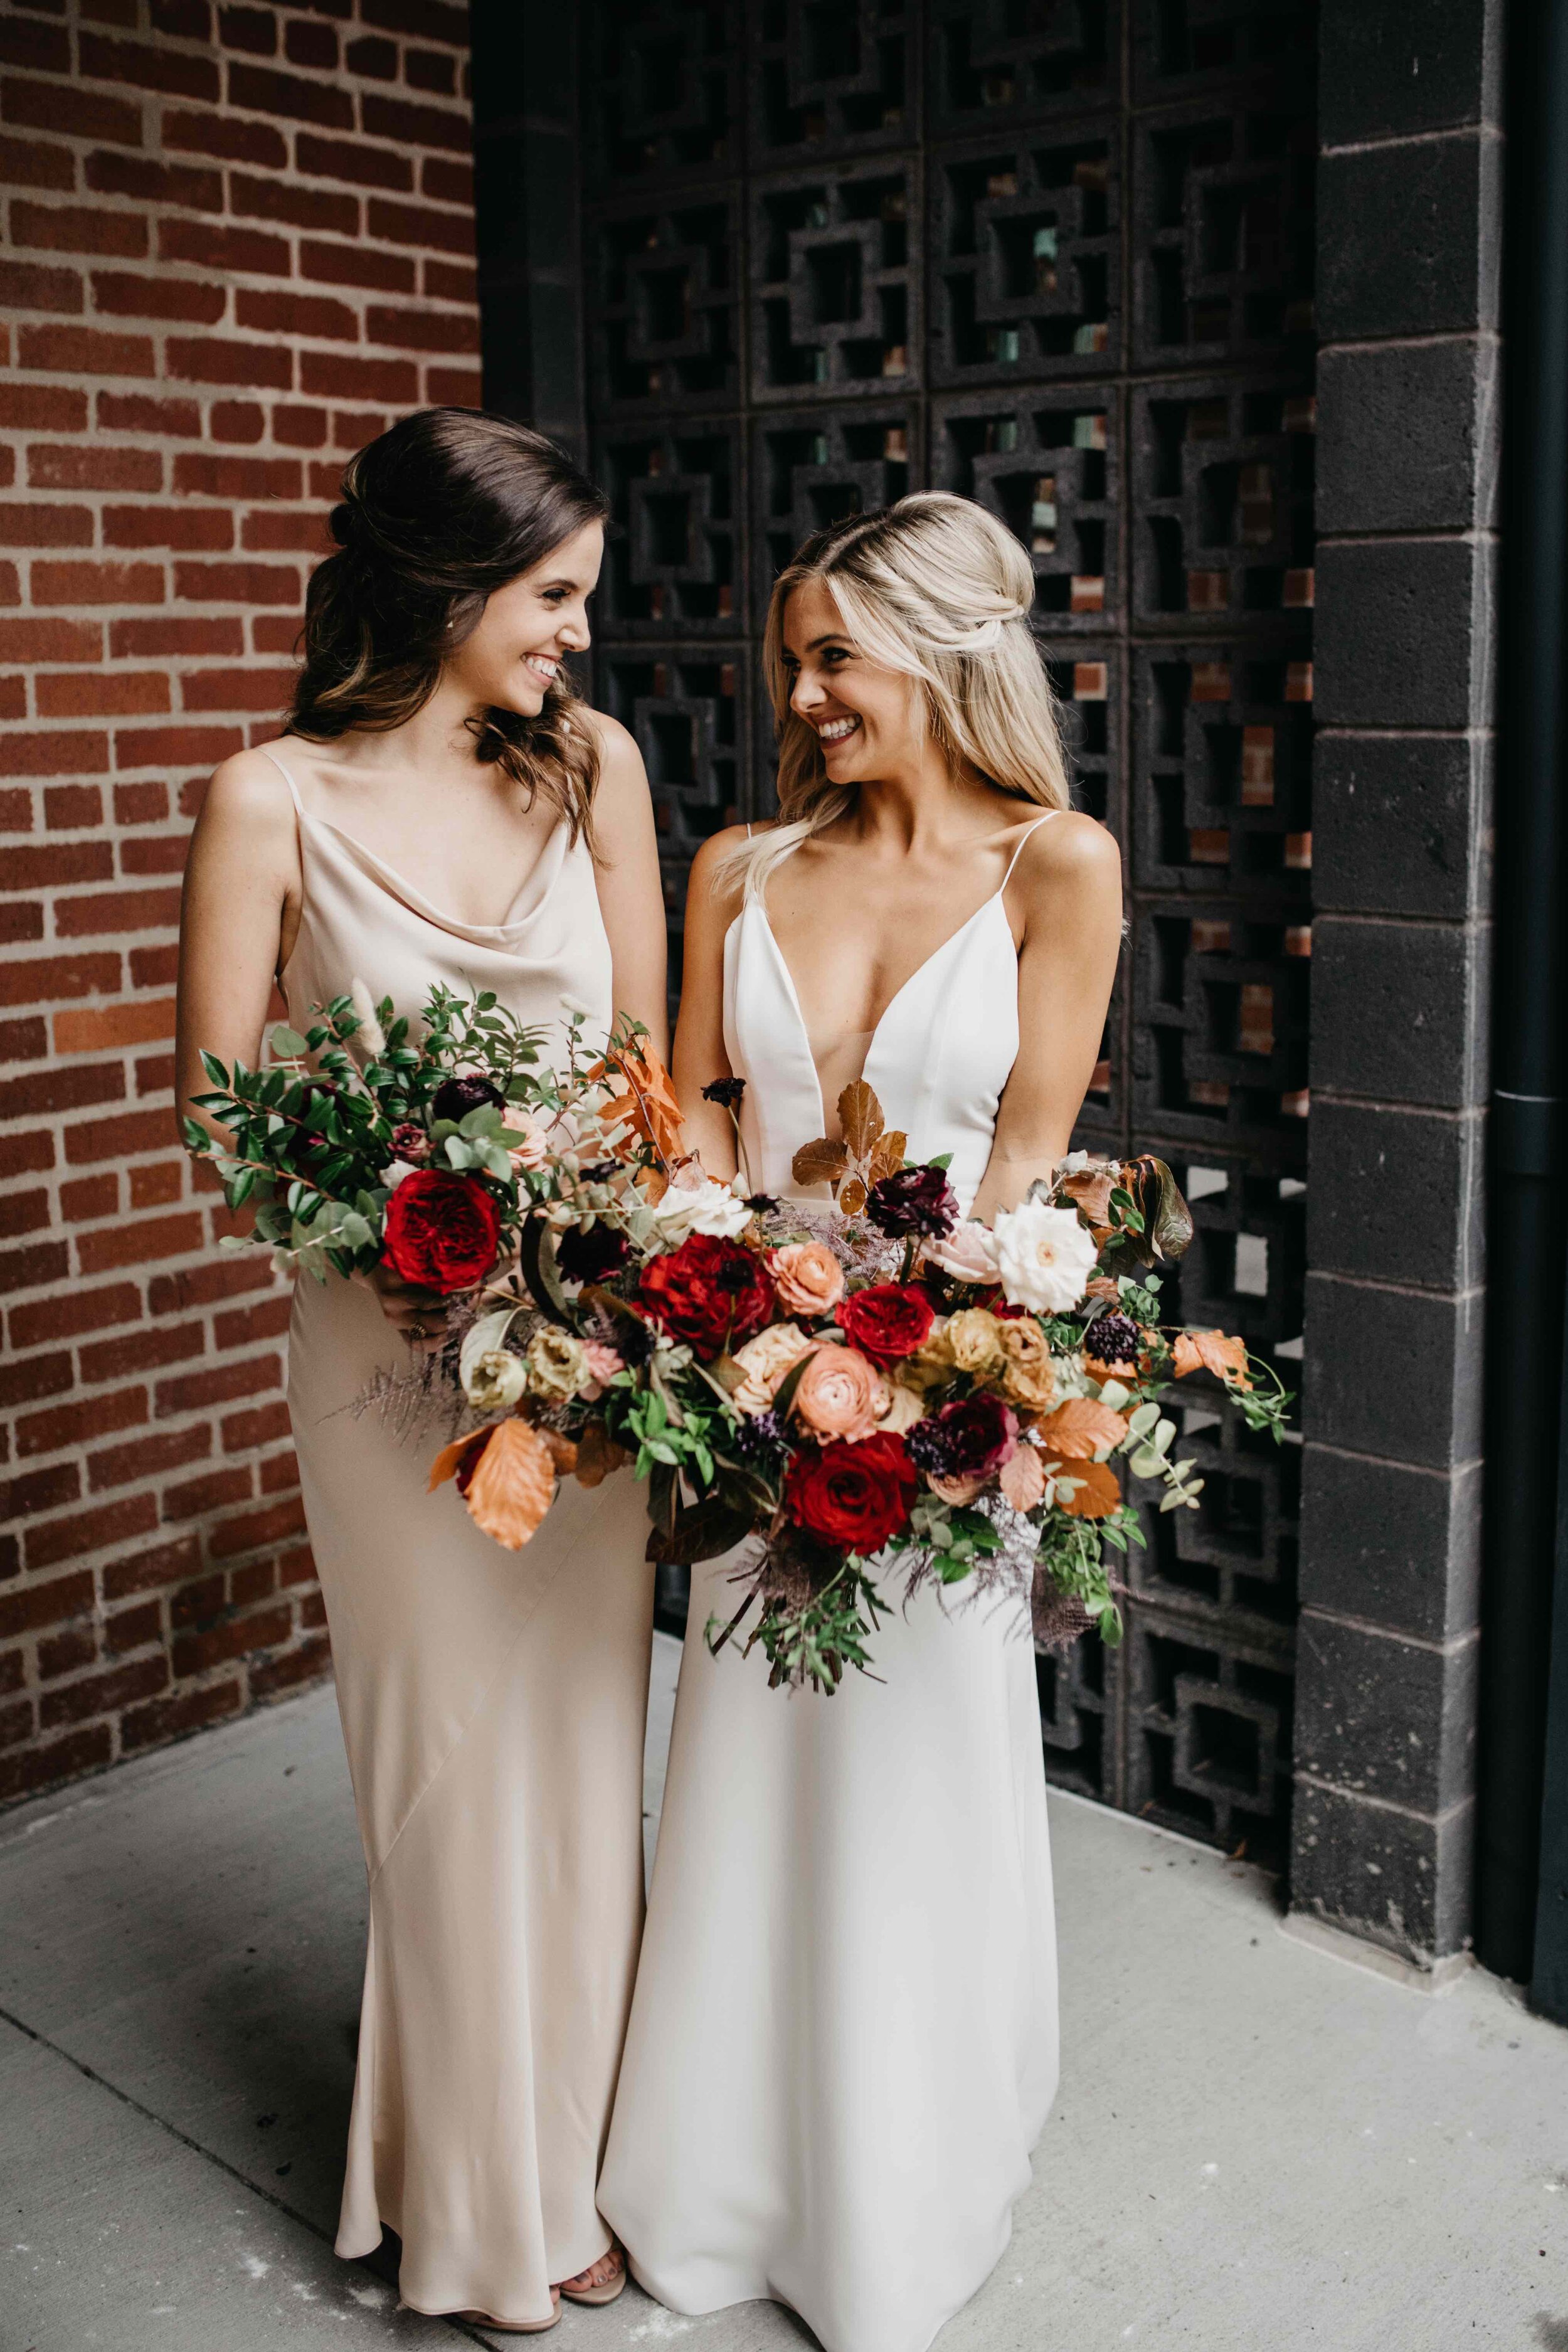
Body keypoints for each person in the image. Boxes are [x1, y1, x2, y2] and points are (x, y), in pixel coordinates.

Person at [598, 493, 1122, 2352]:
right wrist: (704, 1308)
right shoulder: (739, 866)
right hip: (747, 1396)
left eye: (834, 656)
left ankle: (900, 2190)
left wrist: (953, 1364)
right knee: (752, 1770)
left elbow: (1033, 1167)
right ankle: (722, 2176)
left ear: (945, 648)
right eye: (789, 662)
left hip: (941, 1402)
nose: (801, 693)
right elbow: (690, 1125)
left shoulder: (1059, 867)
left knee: (911, 1786)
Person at [175, 408, 665, 2333]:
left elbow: (651, 1073)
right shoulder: (264, 801)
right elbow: (220, 1119)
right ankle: (484, 2207)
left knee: (572, 1760)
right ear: (448, 585)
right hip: (382, 1372)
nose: (577, 637)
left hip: (584, 1357)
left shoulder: (594, 770)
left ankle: (577, 2148)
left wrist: (614, 1246)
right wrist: (372, 1239)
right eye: (554, 597)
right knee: (448, 1771)